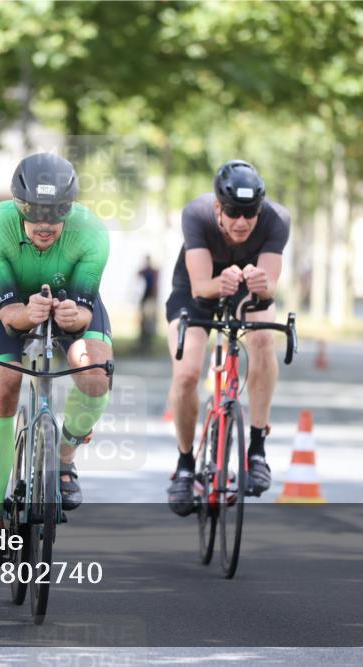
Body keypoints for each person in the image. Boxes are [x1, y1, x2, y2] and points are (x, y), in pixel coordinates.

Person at [0, 153, 113, 560]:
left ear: (70, 208)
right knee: (4, 384)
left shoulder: (91, 233)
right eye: (33, 212)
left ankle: (65, 458)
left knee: (95, 374)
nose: (44, 224)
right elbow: (9, 316)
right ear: (18, 204)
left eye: (55, 213)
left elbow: (84, 311)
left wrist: (74, 316)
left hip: (68, 298)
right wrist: (25, 313)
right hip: (6, 299)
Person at [163, 160, 291, 516]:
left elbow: (269, 288)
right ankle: (185, 466)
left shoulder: (277, 220)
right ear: (218, 207)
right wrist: (222, 283)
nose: (241, 222)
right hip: (197, 288)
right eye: (233, 212)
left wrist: (263, 286)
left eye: (250, 213)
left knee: (262, 338)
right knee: (187, 373)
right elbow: (201, 286)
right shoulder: (197, 214)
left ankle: (257, 449)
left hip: (246, 288)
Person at [137, 255, 159, 352]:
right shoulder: (147, 271)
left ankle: (147, 343)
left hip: (149, 298)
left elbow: (155, 285)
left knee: (149, 322)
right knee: (144, 321)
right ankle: (144, 342)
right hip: (146, 297)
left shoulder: (152, 271)